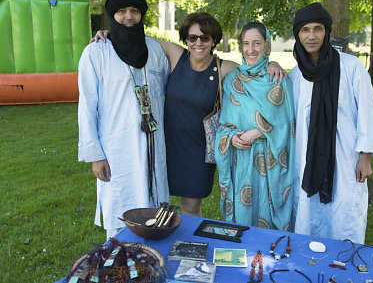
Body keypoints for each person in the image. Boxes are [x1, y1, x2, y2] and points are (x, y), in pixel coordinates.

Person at [93, 15, 285, 217]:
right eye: (192, 38)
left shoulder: (224, 68)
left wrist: (273, 64)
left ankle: (191, 247)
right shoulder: (177, 57)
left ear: (214, 40)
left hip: (199, 150)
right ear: (186, 40)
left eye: (205, 38)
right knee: (154, 201)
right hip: (166, 146)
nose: (198, 43)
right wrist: (112, 33)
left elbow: (254, 72)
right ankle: (160, 240)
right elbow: (140, 36)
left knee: (191, 207)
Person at [289, 3, 373, 244]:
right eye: (305, 30)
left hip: (344, 159)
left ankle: (344, 265)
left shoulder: (350, 66)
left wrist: (365, 157)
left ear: (327, 32)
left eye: (318, 29)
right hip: (306, 157)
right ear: (297, 34)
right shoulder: (295, 73)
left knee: (344, 214)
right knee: (307, 213)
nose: (311, 36)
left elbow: (368, 112)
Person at [78, 0, 170, 239]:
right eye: (121, 11)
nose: (128, 16)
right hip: (117, 149)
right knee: (121, 212)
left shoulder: (154, 50)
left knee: (156, 213)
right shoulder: (96, 53)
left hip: (153, 144)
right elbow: (87, 107)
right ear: (111, 15)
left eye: (134, 11)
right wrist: (95, 155)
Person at [215, 22, 295, 230]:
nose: (250, 50)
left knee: (269, 224)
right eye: (246, 43)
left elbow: (288, 122)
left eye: (257, 43)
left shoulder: (279, 78)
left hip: (271, 161)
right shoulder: (232, 81)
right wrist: (231, 137)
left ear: (266, 46)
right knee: (242, 223)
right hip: (241, 160)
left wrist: (258, 132)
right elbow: (224, 124)